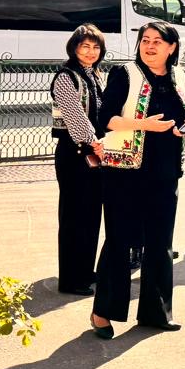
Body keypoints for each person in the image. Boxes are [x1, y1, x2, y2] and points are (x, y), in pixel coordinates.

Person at [91, 22, 185, 338]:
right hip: (124, 171)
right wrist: (144, 125)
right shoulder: (125, 74)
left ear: (171, 47)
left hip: (165, 171)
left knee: (160, 243)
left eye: (157, 41)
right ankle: (103, 312)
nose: (149, 46)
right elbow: (105, 118)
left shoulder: (182, 76)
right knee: (120, 239)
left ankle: (155, 312)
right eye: (145, 40)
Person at [50, 24, 107, 296]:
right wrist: (95, 143)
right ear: (74, 48)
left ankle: (85, 271)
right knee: (74, 216)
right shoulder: (66, 77)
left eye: (96, 47)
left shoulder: (95, 74)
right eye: (85, 46)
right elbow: (75, 117)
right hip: (75, 154)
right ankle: (71, 279)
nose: (91, 52)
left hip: (93, 153)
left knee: (91, 214)